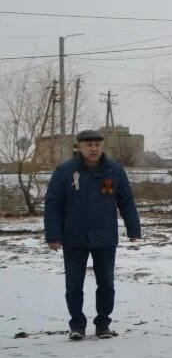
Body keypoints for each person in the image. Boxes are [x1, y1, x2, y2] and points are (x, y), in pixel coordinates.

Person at [43, 129, 141, 340]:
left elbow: (126, 201)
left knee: (106, 283)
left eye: (97, 144)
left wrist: (133, 229)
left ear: (102, 146)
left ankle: (103, 324)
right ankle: (77, 325)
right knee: (74, 285)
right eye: (89, 145)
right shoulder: (65, 171)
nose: (94, 148)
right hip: (73, 238)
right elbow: (53, 204)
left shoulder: (114, 171)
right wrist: (53, 235)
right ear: (79, 147)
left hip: (105, 237)